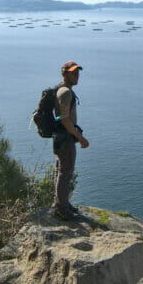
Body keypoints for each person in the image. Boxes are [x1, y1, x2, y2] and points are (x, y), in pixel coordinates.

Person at [53, 61, 89, 219]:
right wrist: (79, 137)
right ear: (64, 74)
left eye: (77, 73)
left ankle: (63, 204)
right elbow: (64, 118)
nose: (76, 76)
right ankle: (62, 209)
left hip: (61, 138)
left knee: (61, 171)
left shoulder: (62, 90)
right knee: (65, 173)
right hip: (65, 138)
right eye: (73, 73)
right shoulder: (65, 92)